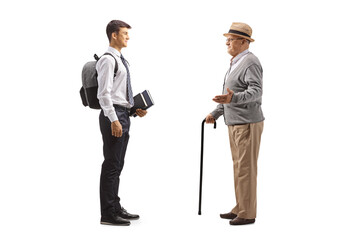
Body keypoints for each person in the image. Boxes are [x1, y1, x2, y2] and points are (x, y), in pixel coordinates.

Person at [205, 22, 264, 225]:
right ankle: (241, 206)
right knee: (239, 167)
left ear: (244, 41)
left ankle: (247, 213)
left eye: (231, 38)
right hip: (235, 123)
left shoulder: (251, 62)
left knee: (246, 168)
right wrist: (215, 113)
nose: (227, 42)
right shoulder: (236, 62)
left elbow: (256, 92)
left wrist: (232, 99)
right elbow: (228, 96)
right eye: (227, 38)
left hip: (247, 123)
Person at [97, 20, 147, 226]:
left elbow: (117, 93)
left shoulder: (121, 59)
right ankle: (107, 213)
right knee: (111, 165)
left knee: (117, 165)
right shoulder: (108, 60)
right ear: (114, 35)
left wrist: (133, 108)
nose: (128, 37)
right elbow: (104, 94)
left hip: (123, 114)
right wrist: (114, 119)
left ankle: (115, 206)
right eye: (125, 33)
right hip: (114, 117)